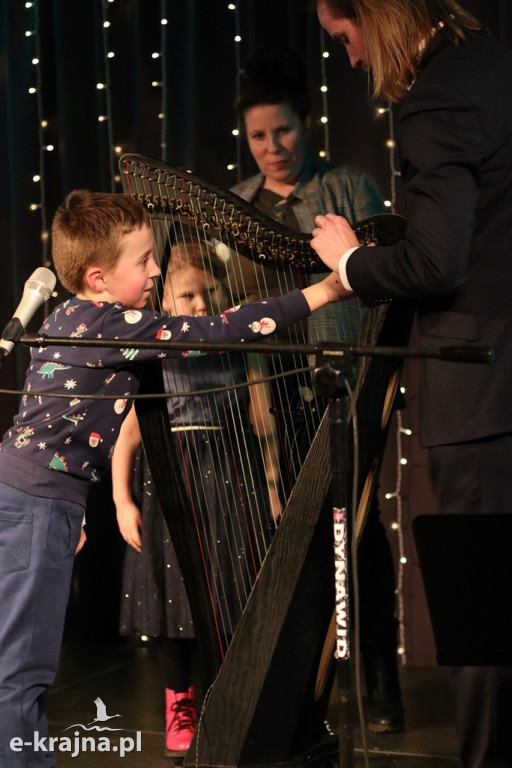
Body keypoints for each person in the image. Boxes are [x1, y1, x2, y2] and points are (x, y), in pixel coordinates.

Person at [0, 188, 345, 767]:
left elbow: (48, 417)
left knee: (15, 664)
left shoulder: (68, 314)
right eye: (143, 261)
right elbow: (222, 330)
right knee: (21, 671)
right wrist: (326, 290)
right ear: (98, 277)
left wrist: (72, 506)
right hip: (34, 505)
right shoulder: (114, 324)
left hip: (30, 495)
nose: (157, 269)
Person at [310, 2, 512, 767]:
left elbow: (437, 263)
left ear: (374, 14)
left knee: (485, 628)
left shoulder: (436, 96)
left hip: (481, 397)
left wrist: (350, 262)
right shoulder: (492, 61)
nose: (354, 60)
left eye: (346, 36)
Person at [229, 46, 404, 733]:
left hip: (348, 389)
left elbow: (385, 283)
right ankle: (303, 688)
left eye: (284, 131)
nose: (272, 148)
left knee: (358, 537)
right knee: (291, 544)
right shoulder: (238, 207)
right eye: (258, 137)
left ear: (310, 123)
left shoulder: (351, 189)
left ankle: (379, 679)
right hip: (274, 401)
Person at [113, 241, 281, 757]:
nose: (200, 306)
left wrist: (274, 487)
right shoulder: (155, 352)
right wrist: (122, 501)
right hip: (171, 476)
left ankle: (226, 698)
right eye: (187, 296)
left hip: (231, 471)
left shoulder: (239, 346)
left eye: (208, 294)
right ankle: (178, 701)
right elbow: (128, 437)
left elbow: (264, 421)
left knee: (230, 593)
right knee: (173, 592)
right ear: (165, 299)